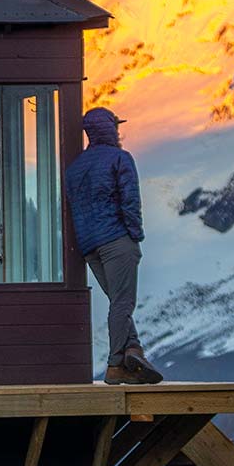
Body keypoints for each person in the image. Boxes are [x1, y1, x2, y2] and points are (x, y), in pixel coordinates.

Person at [64, 107, 163, 384]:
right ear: (110, 129)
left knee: (117, 301)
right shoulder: (120, 159)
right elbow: (130, 201)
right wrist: (135, 236)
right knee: (123, 302)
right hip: (117, 240)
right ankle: (115, 366)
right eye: (116, 127)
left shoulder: (74, 169)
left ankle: (133, 350)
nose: (119, 132)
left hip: (89, 246)